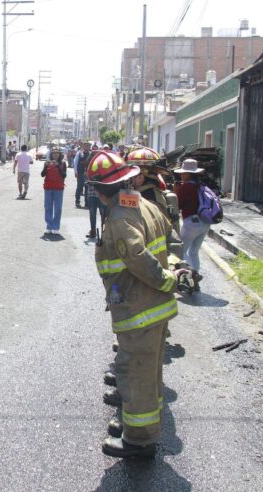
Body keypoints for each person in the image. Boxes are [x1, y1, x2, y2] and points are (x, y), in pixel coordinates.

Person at [87, 150, 181, 458]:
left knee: (135, 371)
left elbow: (139, 258)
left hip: (140, 309)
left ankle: (138, 442)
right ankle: (143, 427)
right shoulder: (145, 204)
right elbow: (170, 239)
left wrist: (168, 281)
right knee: (150, 371)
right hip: (154, 308)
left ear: (100, 191)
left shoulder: (119, 217)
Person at [174, 159, 209, 285]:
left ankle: (188, 278)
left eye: (183, 173)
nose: (181, 175)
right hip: (205, 223)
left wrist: (176, 191)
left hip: (191, 223)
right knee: (194, 252)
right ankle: (195, 279)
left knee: (181, 251)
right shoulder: (201, 185)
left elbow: (177, 205)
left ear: (189, 174)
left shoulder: (186, 187)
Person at [41, 147, 67, 235]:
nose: (55, 155)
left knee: (58, 208)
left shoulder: (63, 163)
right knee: (48, 207)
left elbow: (64, 175)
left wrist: (58, 166)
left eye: (57, 153)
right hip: (48, 188)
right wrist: (46, 166)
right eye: (54, 153)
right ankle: (49, 226)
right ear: (51, 154)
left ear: (60, 155)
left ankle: (56, 227)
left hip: (59, 188)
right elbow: (42, 174)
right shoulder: (47, 163)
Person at [73, 141, 91, 208]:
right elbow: (75, 162)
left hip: (88, 174)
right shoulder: (79, 153)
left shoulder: (90, 154)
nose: (86, 147)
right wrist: (75, 172)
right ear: (83, 146)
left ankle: (87, 203)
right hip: (80, 173)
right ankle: (77, 202)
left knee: (87, 189)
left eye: (88, 146)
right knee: (79, 188)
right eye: (85, 145)